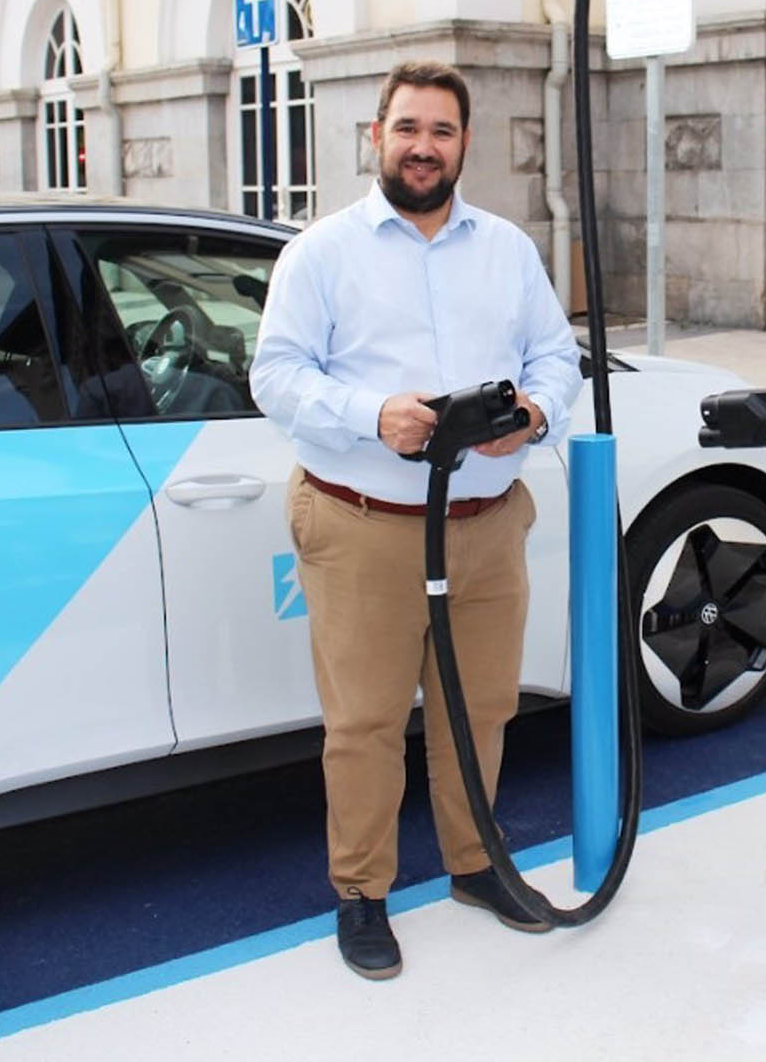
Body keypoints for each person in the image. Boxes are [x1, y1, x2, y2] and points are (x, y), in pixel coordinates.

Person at [251, 60, 582, 981]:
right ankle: (362, 893)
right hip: (366, 523)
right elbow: (274, 375)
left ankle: (474, 867)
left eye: (441, 130)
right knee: (362, 722)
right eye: (408, 128)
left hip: (484, 519)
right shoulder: (321, 252)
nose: (424, 146)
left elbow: (558, 357)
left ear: (463, 143)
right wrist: (374, 415)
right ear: (376, 137)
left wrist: (535, 414)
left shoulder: (507, 249)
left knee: (481, 708)